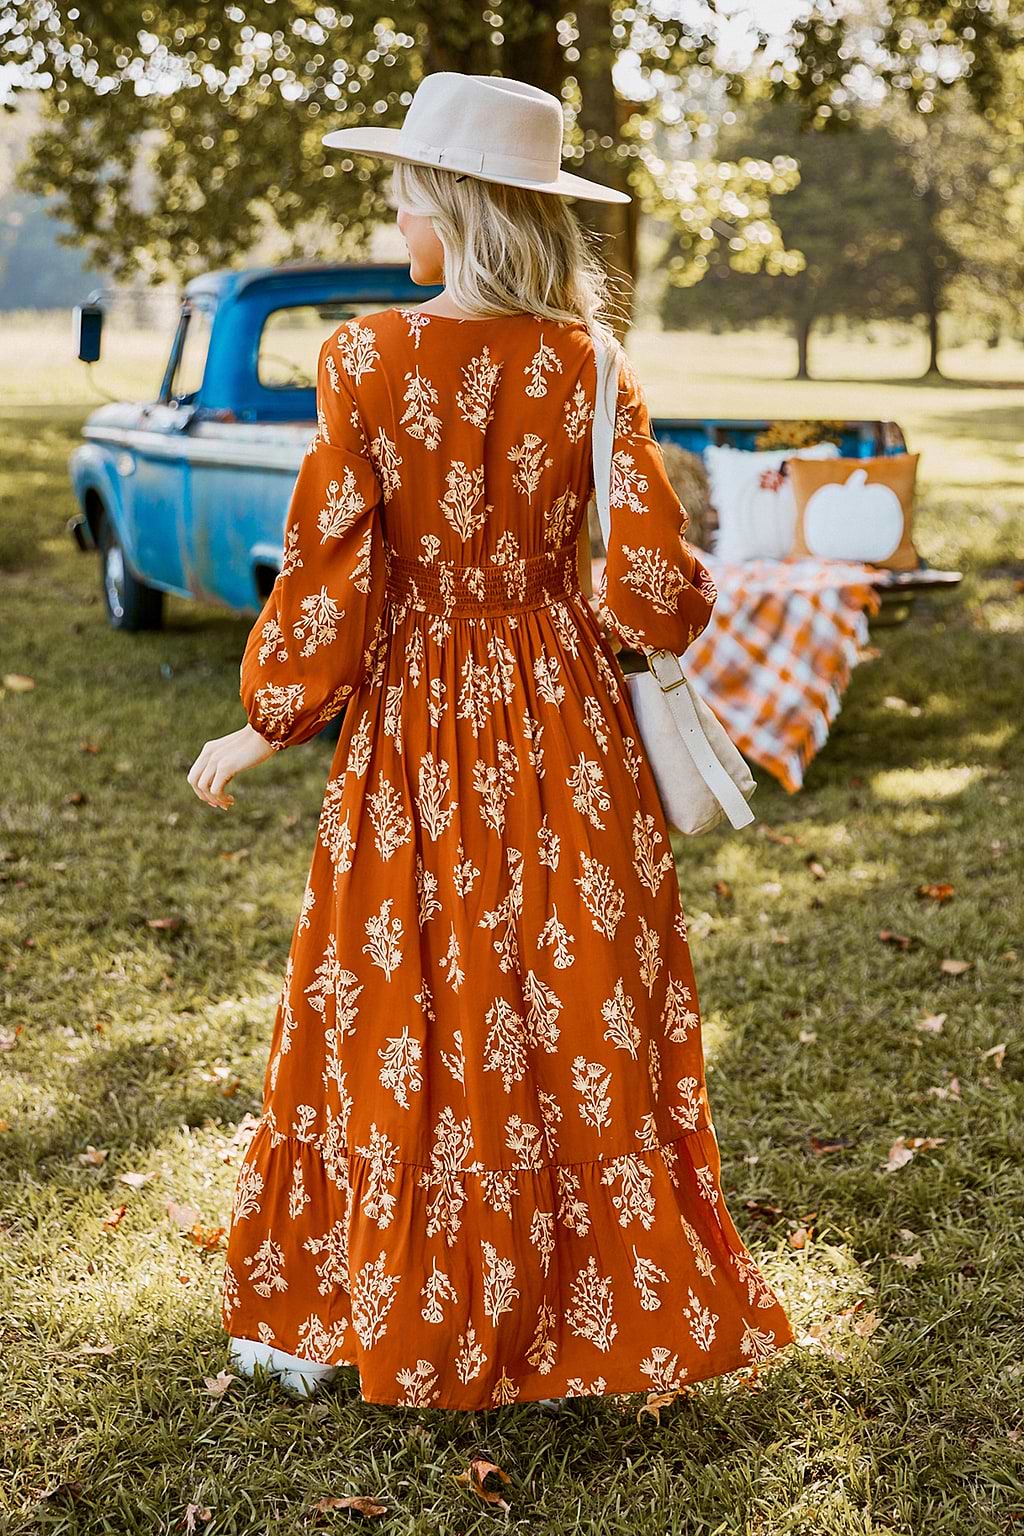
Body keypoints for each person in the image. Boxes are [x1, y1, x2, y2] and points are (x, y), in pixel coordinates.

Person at [187, 71, 794, 1411]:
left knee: (402, 988)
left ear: (450, 200)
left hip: (413, 718)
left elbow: (333, 573)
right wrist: (594, 619)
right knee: (564, 989)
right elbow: (649, 582)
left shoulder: (360, 358)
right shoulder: (590, 365)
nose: (395, 197)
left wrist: (268, 719)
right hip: (566, 716)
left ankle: (385, 1293)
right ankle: (586, 1294)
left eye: (406, 178)